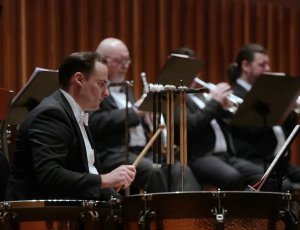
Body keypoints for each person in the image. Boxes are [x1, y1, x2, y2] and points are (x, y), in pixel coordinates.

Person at [6, 52, 136, 201]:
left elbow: (86, 173)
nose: (106, 93)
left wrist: (118, 200)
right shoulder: (51, 114)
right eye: (101, 84)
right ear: (79, 79)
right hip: (38, 216)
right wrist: (105, 180)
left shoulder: (73, 112)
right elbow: (50, 175)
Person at [89, 38, 200, 193]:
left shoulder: (127, 88)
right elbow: (95, 122)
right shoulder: (94, 89)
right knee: (152, 171)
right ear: (101, 61)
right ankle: (161, 214)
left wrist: (149, 120)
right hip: (114, 153)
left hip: (141, 150)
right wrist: (136, 112)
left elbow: (137, 121)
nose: (125, 65)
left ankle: (185, 213)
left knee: (179, 168)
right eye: (119, 60)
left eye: (127, 60)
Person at [173, 47, 264, 190]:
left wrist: (224, 106)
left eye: (194, 68)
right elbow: (189, 126)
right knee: (232, 177)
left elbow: (230, 120)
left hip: (225, 155)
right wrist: (214, 102)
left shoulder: (202, 96)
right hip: (199, 157)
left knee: (261, 176)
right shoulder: (175, 98)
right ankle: (233, 211)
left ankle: (248, 209)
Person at [228, 43, 300, 191]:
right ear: (246, 66)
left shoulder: (266, 96)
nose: (267, 69)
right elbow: (248, 129)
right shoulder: (233, 96)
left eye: (268, 64)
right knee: (285, 186)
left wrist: (289, 108)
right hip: (254, 161)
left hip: (278, 162)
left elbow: (286, 130)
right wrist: (276, 105)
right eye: (262, 65)